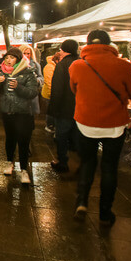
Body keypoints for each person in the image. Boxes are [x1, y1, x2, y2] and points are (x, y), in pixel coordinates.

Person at [69, 30, 131, 225]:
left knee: (87, 163)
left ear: (86, 44)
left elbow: (74, 89)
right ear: (109, 44)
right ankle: (105, 212)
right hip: (114, 125)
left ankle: (82, 202)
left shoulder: (77, 65)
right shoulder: (123, 65)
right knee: (109, 168)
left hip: (85, 122)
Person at [0, 47, 39, 184]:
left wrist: (18, 87)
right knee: (10, 138)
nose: (8, 60)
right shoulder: (3, 72)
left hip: (23, 112)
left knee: (23, 140)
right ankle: (9, 162)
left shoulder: (27, 72)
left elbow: (33, 92)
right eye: (7, 57)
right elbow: (0, 91)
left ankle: (24, 169)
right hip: (7, 111)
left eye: (12, 58)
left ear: (18, 60)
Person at [48, 39, 80, 173]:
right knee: (77, 136)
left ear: (63, 49)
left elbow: (57, 89)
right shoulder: (81, 63)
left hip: (64, 108)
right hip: (80, 107)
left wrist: (53, 109)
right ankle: (81, 163)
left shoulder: (62, 65)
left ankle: (62, 162)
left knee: (62, 135)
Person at [41, 51, 62, 133]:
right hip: (48, 93)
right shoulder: (49, 67)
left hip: (52, 93)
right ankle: (49, 125)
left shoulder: (55, 66)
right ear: (57, 59)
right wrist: (52, 94)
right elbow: (49, 82)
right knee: (50, 110)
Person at [20, 43, 44, 116]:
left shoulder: (35, 65)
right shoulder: (15, 64)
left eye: (28, 53)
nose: (26, 55)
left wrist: (37, 80)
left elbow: (41, 78)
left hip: (30, 95)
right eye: (24, 53)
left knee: (30, 117)